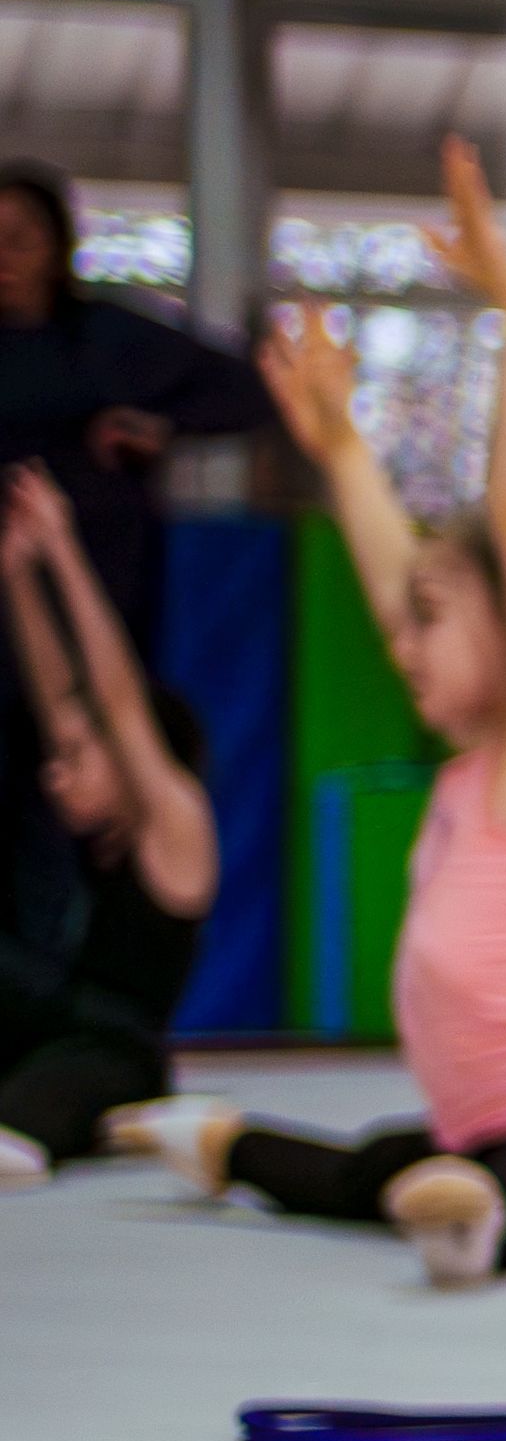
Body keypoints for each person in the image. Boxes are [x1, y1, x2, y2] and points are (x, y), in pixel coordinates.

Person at [124, 145, 506, 1284]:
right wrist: (338, 445)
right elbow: (396, 583)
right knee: (379, 1165)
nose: (402, 644)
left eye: (435, 617)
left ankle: (487, 1229)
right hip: (481, 1127)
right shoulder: (474, 754)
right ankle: (231, 1144)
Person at [0, 156, 276, 962]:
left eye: (20, 238)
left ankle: (80, 967)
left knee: (87, 765)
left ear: (58, 247)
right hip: (12, 597)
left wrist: (156, 427)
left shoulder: (104, 341)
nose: (5, 256)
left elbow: (244, 391)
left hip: (95, 594)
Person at [1, 461, 214, 1181]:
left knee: (41, 1095)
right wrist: (17, 572)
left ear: (131, 759)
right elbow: (57, 691)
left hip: (116, 1050)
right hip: (59, 1017)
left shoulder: (173, 828)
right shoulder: (110, 828)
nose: (54, 773)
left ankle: (48, 1126)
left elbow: (112, 696)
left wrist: (63, 548)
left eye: (74, 757)